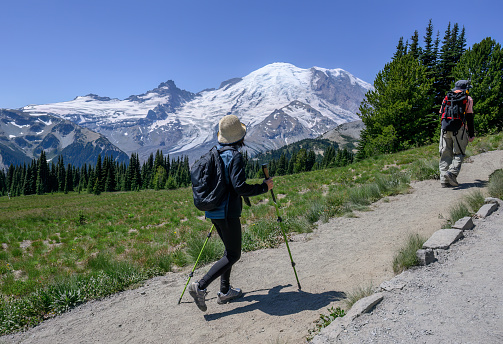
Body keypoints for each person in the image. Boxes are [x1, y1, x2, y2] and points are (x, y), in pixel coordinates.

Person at [189, 114, 273, 312]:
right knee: (234, 254)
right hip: (227, 213)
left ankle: (225, 292)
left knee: (229, 251)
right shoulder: (234, 156)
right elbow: (240, 188)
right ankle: (200, 286)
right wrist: (263, 187)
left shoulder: (216, 151)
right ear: (239, 138)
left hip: (213, 211)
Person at [439, 80, 475, 188]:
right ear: (466, 88)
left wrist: (444, 126)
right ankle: (452, 173)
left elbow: (441, 113)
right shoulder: (468, 99)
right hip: (459, 129)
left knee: (445, 153)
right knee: (459, 153)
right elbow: (469, 117)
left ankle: (444, 181)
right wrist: (471, 134)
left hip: (445, 129)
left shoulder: (447, 97)